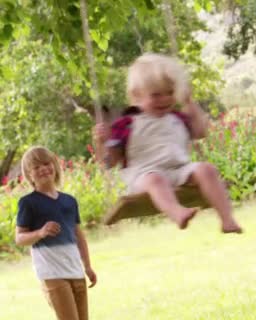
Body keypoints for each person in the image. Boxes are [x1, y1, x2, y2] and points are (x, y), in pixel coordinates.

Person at [93, 53, 242, 232]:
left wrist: (189, 102)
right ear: (137, 95)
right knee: (156, 179)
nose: (165, 99)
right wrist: (103, 142)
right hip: (144, 176)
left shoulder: (178, 118)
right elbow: (110, 162)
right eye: (156, 95)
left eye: (170, 93)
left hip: (179, 170)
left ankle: (227, 220)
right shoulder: (126, 124)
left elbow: (200, 132)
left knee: (207, 169)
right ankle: (177, 213)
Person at [15, 146, 97, 320]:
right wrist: (40, 232)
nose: (43, 169)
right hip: (51, 274)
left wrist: (87, 266)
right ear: (29, 175)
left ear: (54, 166)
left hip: (75, 270)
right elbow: (20, 238)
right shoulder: (28, 203)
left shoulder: (69, 201)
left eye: (46, 163)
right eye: (36, 167)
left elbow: (78, 235)